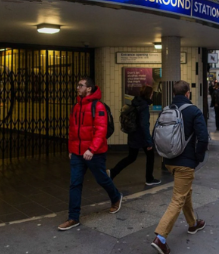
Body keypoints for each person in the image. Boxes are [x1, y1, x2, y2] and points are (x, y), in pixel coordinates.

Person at [150, 80, 209, 254]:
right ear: (188, 94)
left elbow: (156, 133)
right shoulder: (194, 111)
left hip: (169, 160)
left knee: (185, 192)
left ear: (174, 93)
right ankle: (161, 237)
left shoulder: (166, 110)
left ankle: (193, 223)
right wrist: (197, 159)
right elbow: (204, 138)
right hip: (185, 163)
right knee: (177, 199)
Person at [58, 78, 123, 231]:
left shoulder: (97, 106)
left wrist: (91, 149)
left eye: (80, 85)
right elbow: (72, 130)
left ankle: (116, 197)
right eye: (77, 85)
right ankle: (73, 218)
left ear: (88, 89)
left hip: (94, 153)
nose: (77, 87)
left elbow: (101, 131)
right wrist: (71, 149)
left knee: (102, 179)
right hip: (77, 153)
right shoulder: (76, 106)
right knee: (75, 183)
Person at [109, 85, 160, 186]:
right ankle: (149, 179)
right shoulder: (144, 106)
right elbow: (144, 125)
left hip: (133, 134)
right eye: (152, 93)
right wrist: (149, 141)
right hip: (141, 136)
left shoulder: (135, 102)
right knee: (150, 155)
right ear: (149, 94)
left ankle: (113, 172)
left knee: (131, 157)